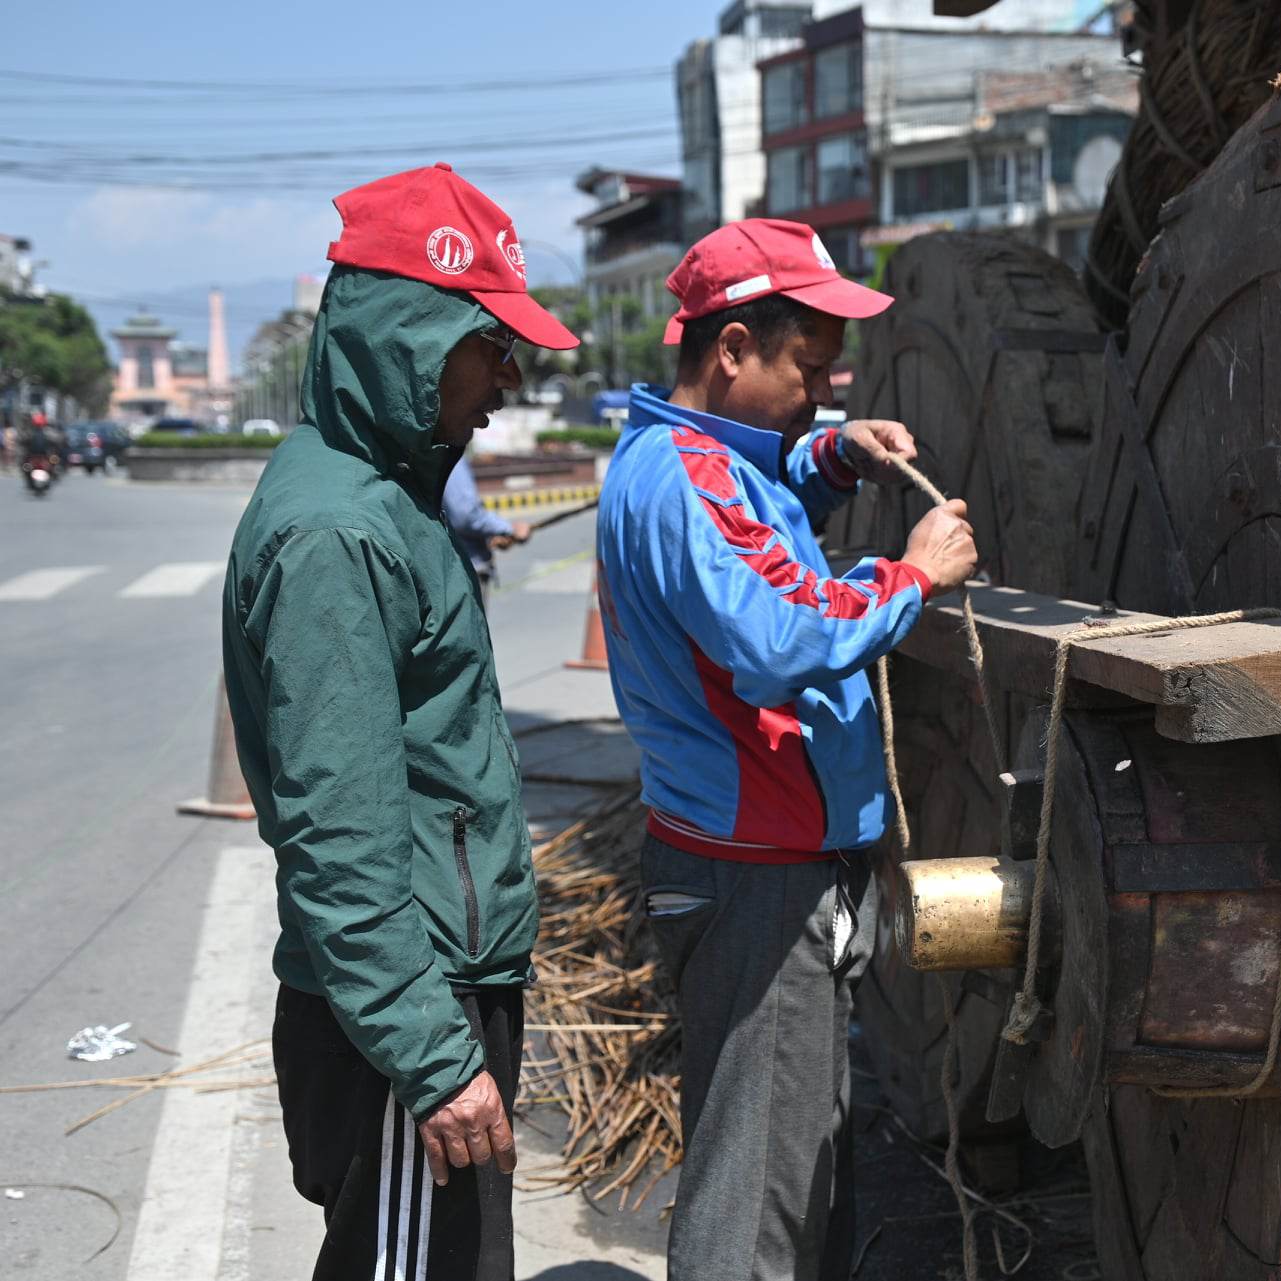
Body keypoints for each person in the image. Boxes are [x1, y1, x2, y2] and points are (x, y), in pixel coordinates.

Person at [596, 218, 978, 1280]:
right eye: (807, 371)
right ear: (730, 351)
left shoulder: (689, 457)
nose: (820, 391)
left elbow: (761, 506)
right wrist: (911, 574)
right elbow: (777, 635)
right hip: (756, 880)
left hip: (752, 863)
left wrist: (830, 453)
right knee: (756, 1206)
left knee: (793, 1167)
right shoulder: (685, 483)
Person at [221, 162, 579, 1281]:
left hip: (426, 990)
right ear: (410, 337)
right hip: (403, 1016)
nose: (507, 382)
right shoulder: (337, 534)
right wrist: (433, 1058)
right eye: (490, 346)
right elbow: (343, 836)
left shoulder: (389, 495)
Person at [442, 452, 530, 611]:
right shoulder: (448, 453)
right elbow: (465, 515)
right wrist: (508, 529)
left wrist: (493, 535)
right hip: (463, 570)